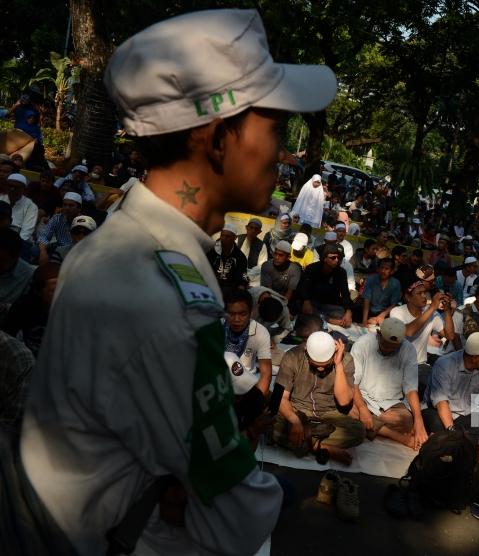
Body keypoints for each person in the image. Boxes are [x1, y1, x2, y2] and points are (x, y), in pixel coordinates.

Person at [20, 9, 337, 554]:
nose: (284, 154)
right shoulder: (166, 301)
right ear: (216, 139)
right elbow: (237, 517)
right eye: (276, 125)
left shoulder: (117, 246)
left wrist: (182, 476)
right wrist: (198, 484)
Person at [273, 331, 364, 465]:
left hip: (329, 413)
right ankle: (319, 446)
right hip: (298, 410)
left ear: (334, 353)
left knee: (358, 431)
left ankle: (306, 441)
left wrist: (338, 365)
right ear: (306, 353)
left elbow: (344, 401)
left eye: (325, 364)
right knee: (269, 420)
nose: (321, 369)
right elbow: (280, 397)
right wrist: (295, 421)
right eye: (316, 365)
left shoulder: (346, 360)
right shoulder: (292, 356)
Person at [349, 318, 428, 450]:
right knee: (349, 409)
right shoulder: (363, 344)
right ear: (378, 334)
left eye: (394, 347)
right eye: (386, 345)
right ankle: (399, 437)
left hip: (392, 404)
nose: (389, 349)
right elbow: (353, 383)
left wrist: (418, 421)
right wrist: (363, 409)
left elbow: (411, 389)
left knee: (407, 420)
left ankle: (369, 426)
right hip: (363, 399)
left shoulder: (408, 350)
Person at [423, 332, 479, 455]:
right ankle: (463, 442)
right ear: (475, 358)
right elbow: (441, 403)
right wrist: (453, 433)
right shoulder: (445, 364)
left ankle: (450, 442)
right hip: (441, 414)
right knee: (436, 423)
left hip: (465, 416)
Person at [389, 281, 455, 365]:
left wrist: (447, 310)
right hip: (399, 364)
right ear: (408, 297)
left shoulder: (431, 313)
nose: (424, 296)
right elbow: (409, 332)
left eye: (425, 292)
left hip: (420, 364)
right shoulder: (397, 311)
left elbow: (450, 336)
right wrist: (432, 308)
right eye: (419, 293)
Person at [224, 289, 273, 396]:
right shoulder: (217, 328)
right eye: (231, 314)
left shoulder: (261, 332)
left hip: (247, 383)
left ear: (251, 313)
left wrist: (257, 401)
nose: (236, 319)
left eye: (242, 314)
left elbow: (266, 373)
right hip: (221, 383)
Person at [298, 243, 352, 326]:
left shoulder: (341, 272)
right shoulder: (312, 269)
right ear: (325, 259)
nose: (337, 260)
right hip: (312, 302)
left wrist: (348, 311)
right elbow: (303, 287)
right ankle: (329, 320)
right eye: (333, 258)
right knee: (304, 307)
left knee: (342, 312)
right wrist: (306, 300)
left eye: (338, 257)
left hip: (329, 306)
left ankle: (324, 318)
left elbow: (345, 293)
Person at [36, 191, 82, 265]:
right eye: (65, 205)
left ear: (79, 208)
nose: (67, 208)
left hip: (75, 253)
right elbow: (44, 236)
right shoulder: (57, 218)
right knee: (35, 250)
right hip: (58, 249)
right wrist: (43, 252)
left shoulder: (84, 222)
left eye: (71, 205)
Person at [208, 225, 249, 293]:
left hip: (231, 288)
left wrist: (242, 286)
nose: (224, 238)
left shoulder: (240, 256)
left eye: (227, 236)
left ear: (235, 238)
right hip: (212, 284)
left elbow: (242, 275)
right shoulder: (212, 251)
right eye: (222, 235)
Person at [360, 257, 401, 324]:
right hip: (368, 312)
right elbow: (366, 301)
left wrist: (381, 316)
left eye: (386, 269)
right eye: (381, 268)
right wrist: (364, 320)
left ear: (392, 271)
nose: (383, 271)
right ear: (378, 268)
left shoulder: (395, 283)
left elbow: (393, 304)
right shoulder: (371, 279)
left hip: (385, 314)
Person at [5, 173, 38, 243]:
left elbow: (26, 232)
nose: (12, 189)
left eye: (16, 187)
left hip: (18, 241)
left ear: (24, 190)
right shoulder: (1, 198)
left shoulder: (31, 206)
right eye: (10, 186)